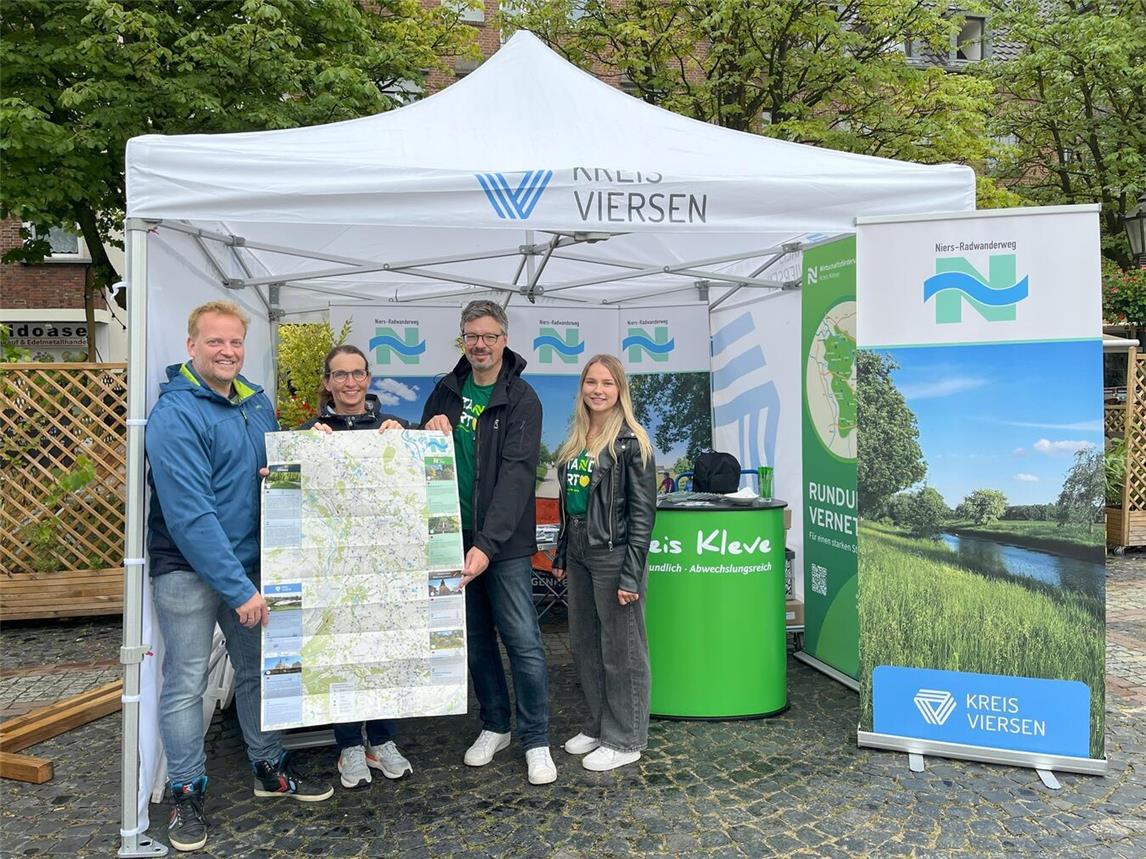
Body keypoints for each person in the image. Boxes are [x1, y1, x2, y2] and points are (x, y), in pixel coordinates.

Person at [146, 300, 332, 853]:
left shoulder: (254, 402)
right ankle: (186, 790)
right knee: (186, 683)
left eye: (235, 343)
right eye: (215, 342)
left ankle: (268, 767)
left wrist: (304, 448)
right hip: (190, 571)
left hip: (251, 565)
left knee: (258, 672)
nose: (227, 352)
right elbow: (190, 515)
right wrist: (240, 589)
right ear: (191, 347)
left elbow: (263, 469)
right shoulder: (175, 414)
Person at [420, 299, 556, 785]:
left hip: (505, 548)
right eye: (471, 336)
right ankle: (495, 725)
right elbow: (424, 463)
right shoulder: (444, 392)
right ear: (462, 339)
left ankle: (536, 739)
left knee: (523, 643)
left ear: (503, 340)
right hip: (452, 540)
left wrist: (488, 545)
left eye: (489, 336)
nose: (480, 344)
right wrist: (424, 430)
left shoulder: (521, 398)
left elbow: (518, 478)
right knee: (476, 639)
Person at [295, 344, 415, 790]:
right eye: (340, 375)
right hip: (332, 570)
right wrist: (291, 464)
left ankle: (381, 740)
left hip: (383, 567)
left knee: (381, 654)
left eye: (357, 374)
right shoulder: (309, 432)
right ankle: (348, 745)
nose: (350, 383)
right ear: (327, 382)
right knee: (340, 655)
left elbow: (417, 486)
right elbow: (293, 492)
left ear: (369, 379)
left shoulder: (395, 428)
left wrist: (407, 441)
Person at [550, 354, 657, 771]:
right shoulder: (576, 438)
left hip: (615, 554)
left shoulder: (632, 442)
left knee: (622, 649)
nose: (598, 390)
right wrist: (562, 551)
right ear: (582, 389)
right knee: (586, 644)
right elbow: (572, 506)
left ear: (620, 390)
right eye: (591, 382)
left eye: (607, 383)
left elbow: (644, 515)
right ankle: (597, 726)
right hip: (579, 551)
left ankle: (627, 737)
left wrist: (631, 573)